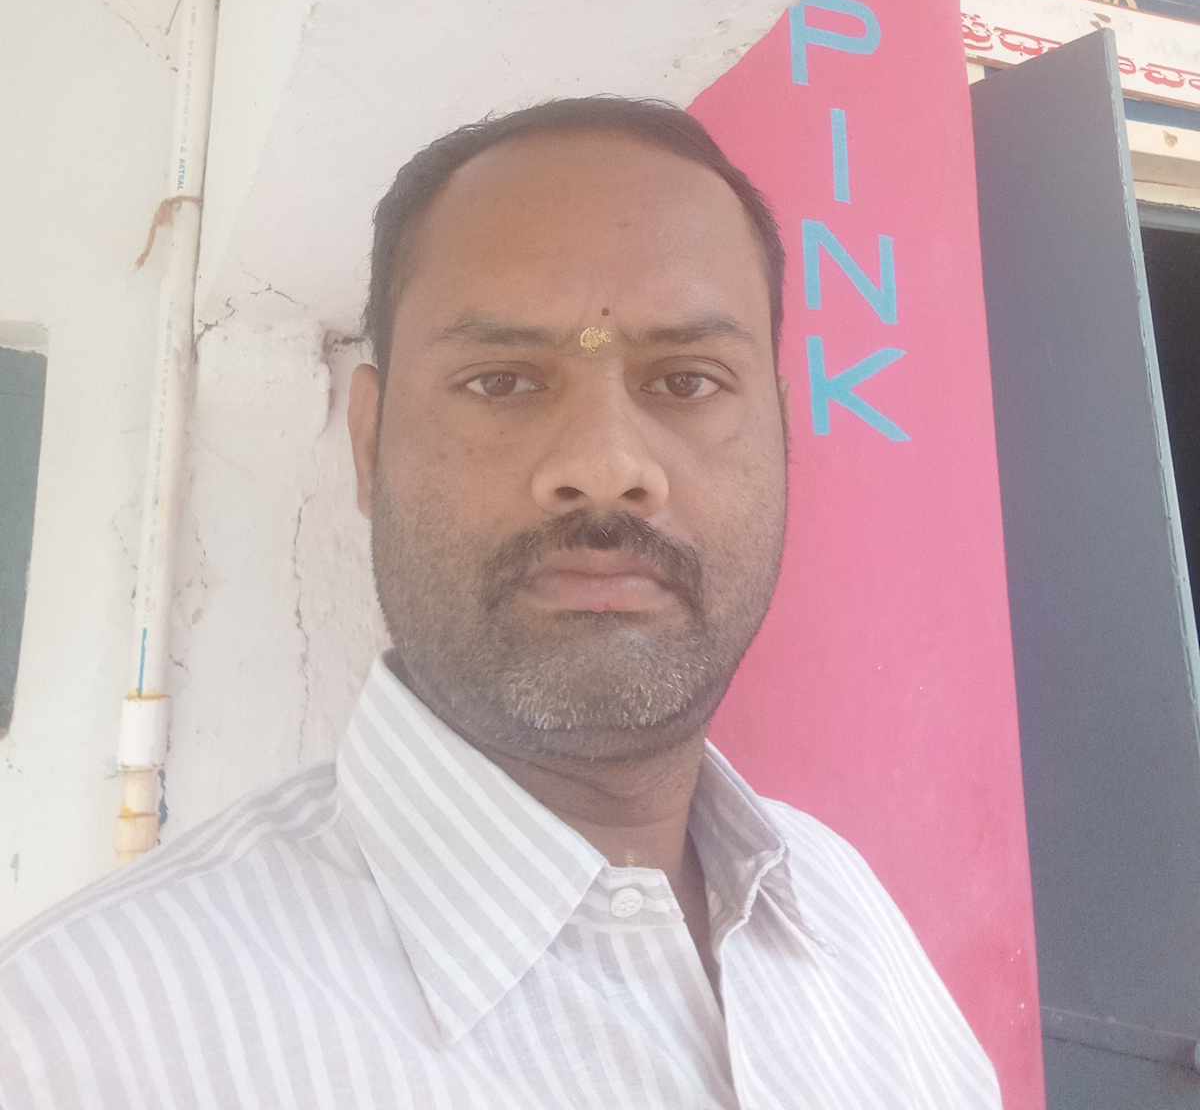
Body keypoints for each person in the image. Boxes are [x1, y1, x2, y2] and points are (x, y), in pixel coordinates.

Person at [0, 98, 1001, 1108]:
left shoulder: (847, 916)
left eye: (688, 382)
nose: (606, 466)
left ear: (782, 437)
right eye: (503, 382)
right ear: (369, 445)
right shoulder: (71, 1049)